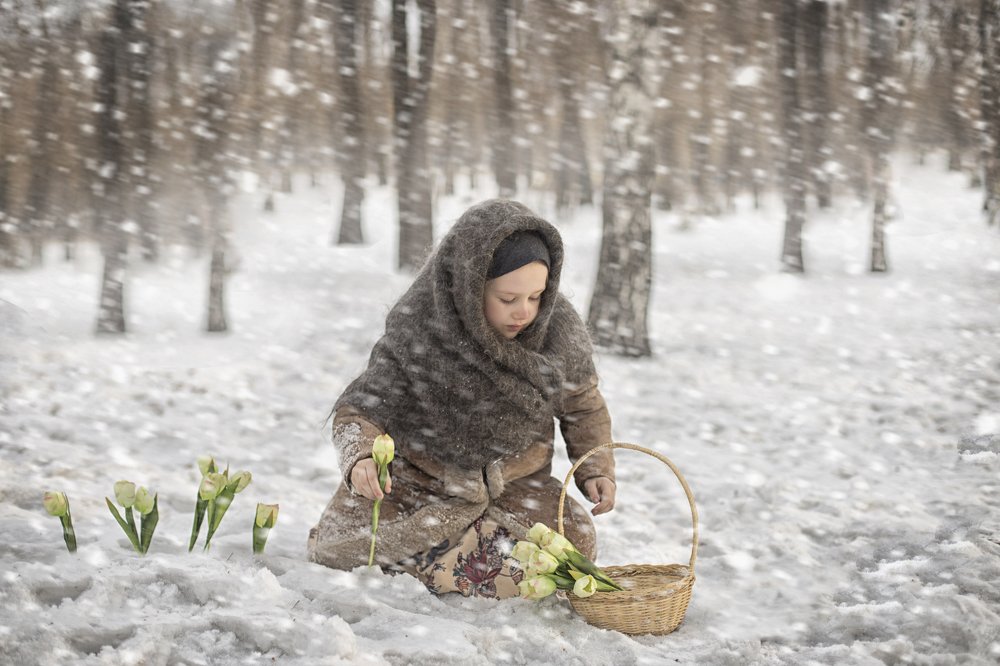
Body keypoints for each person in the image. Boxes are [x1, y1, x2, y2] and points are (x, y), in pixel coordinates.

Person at [308, 199, 617, 599]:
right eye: (507, 299)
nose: (524, 312)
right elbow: (361, 408)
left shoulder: (558, 332)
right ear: (469, 287)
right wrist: (362, 456)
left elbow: (583, 405)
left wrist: (595, 469)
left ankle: (442, 561)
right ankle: (441, 558)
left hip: (517, 488)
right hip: (421, 487)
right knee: (345, 543)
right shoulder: (421, 327)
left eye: (536, 296)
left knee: (571, 545)